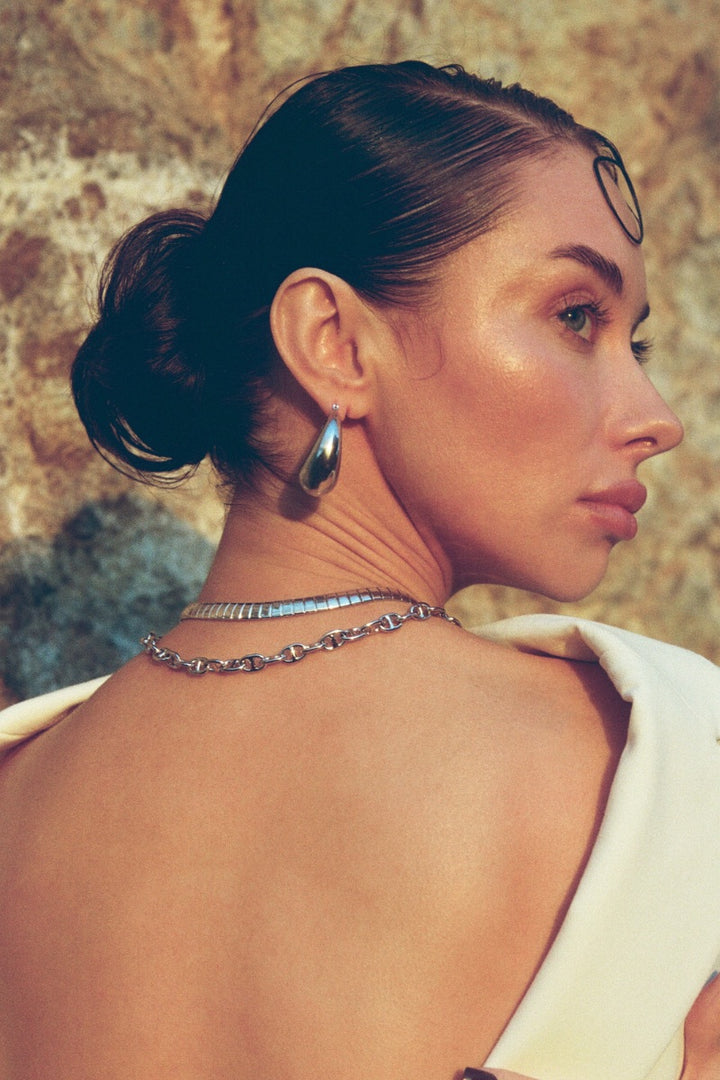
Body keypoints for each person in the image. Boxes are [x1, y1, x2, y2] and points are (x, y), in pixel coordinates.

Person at [0, 61, 718, 1080]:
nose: (656, 418)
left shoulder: (22, 793)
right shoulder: (656, 758)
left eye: (631, 342)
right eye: (575, 317)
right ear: (334, 344)